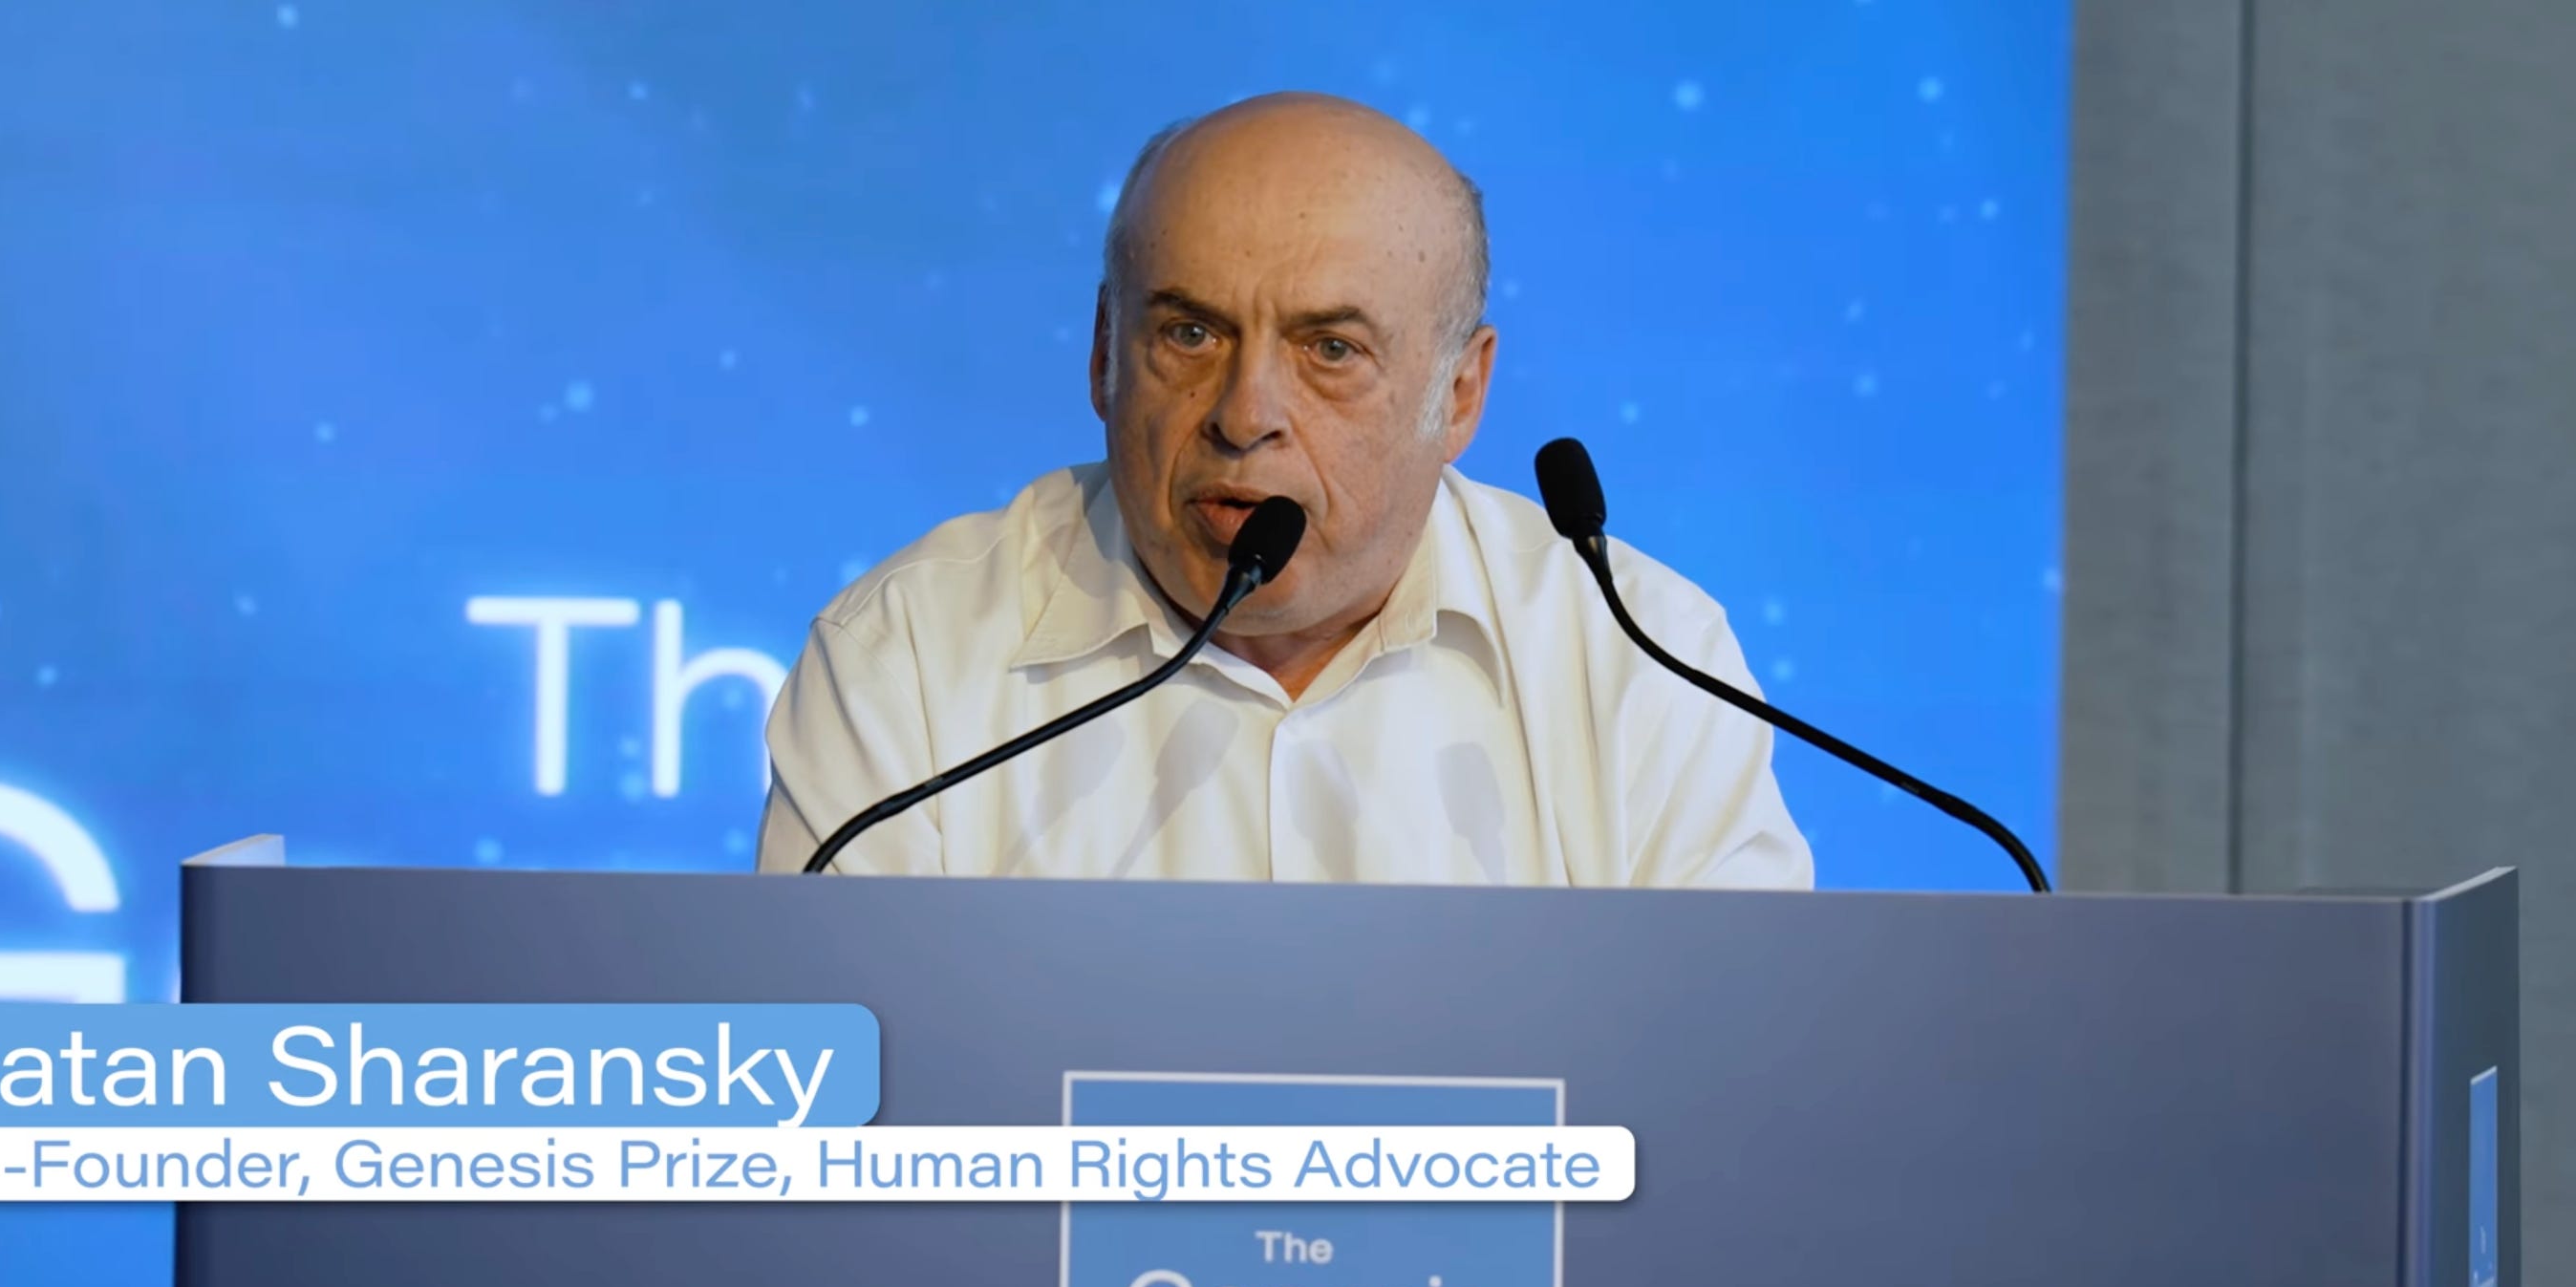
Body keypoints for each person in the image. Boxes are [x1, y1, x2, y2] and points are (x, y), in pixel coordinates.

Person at [755, 92, 1811, 889]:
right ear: (1104, 353)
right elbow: (841, 1082)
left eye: (1329, 349)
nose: (1244, 411)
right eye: (1189, 333)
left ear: (1459, 394)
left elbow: (1738, 1088)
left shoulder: (1639, 664)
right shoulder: (910, 657)